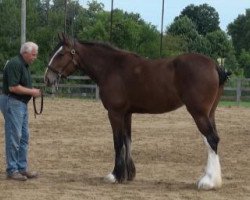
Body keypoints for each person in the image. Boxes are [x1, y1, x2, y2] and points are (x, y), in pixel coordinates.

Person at [0, 42, 41, 181]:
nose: (35, 57)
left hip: (20, 104)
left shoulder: (23, 65)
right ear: (25, 53)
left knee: (23, 137)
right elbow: (13, 87)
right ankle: (12, 170)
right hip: (13, 102)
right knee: (14, 136)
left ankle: (22, 168)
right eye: (33, 54)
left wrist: (31, 91)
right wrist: (32, 91)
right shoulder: (15, 64)